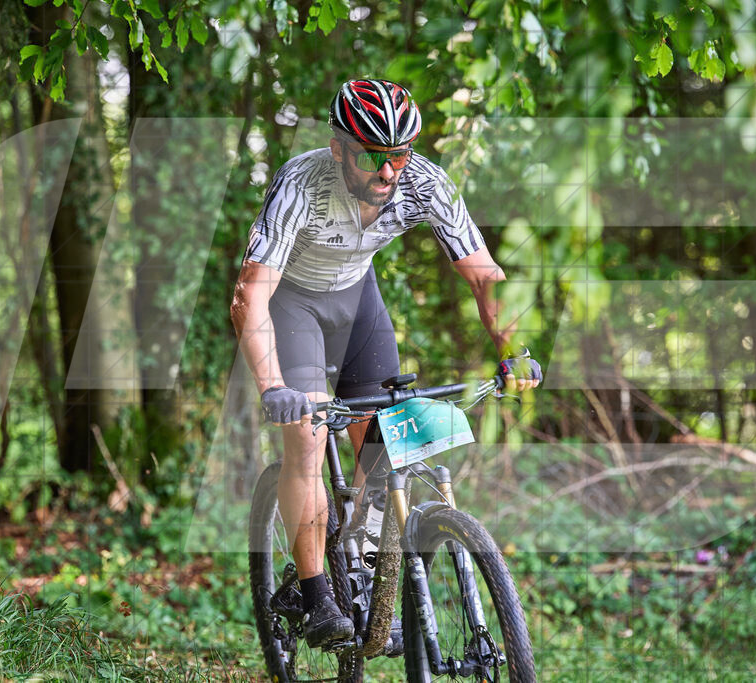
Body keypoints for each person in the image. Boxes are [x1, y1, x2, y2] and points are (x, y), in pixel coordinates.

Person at [231, 78, 541, 649]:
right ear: (338, 149)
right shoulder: (300, 184)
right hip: (291, 302)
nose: (389, 171)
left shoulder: (422, 181)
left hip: (357, 300)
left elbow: (484, 276)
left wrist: (511, 351)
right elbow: (250, 293)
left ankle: (369, 576)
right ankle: (317, 589)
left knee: (383, 443)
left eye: (399, 155)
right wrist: (272, 383)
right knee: (305, 435)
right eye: (374, 156)